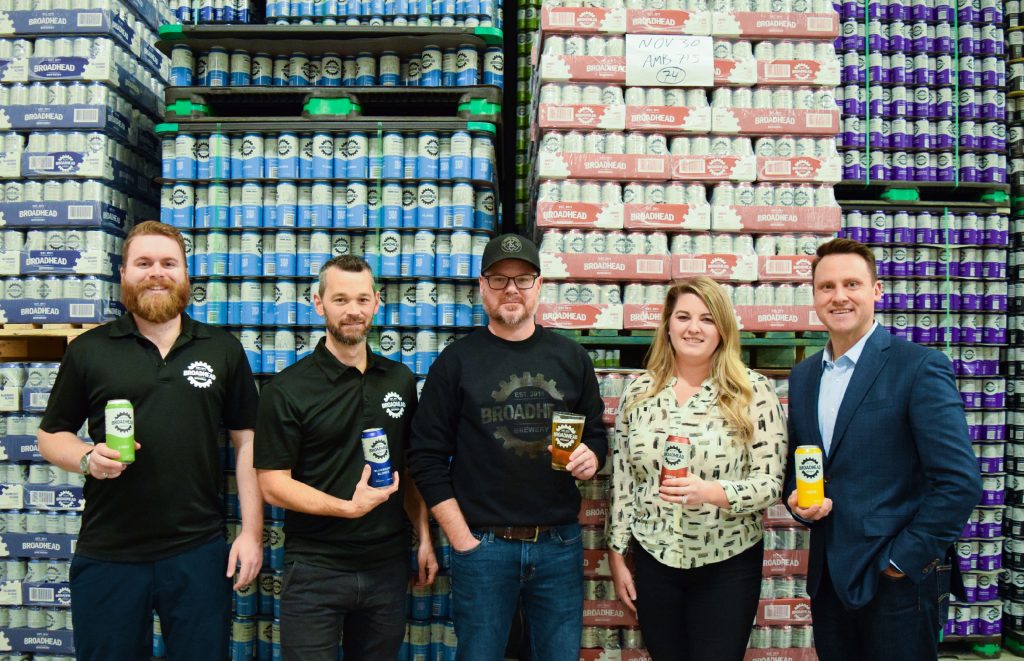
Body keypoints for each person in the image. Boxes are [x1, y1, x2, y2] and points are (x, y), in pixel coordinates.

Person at [37, 221, 263, 661]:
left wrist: (252, 532)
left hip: (197, 551)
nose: (156, 272)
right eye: (143, 263)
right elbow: (50, 436)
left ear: (186, 276)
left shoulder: (221, 349)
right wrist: (87, 458)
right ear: (123, 274)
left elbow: (247, 442)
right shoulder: (89, 349)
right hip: (108, 551)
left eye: (168, 263)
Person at [408, 234, 607, 660]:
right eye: (499, 279)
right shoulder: (456, 361)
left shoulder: (572, 358)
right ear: (482, 287)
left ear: (539, 286)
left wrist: (592, 457)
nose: (511, 290)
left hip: (559, 546)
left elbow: (596, 438)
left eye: (523, 279)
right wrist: (461, 538)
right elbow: (424, 457)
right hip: (482, 548)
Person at [785, 238, 982, 661]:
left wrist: (901, 561)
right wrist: (795, 500)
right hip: (829, 580)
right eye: (826, 287)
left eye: (852, 284)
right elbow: (802, 467)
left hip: (897, 583)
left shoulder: (918, 367)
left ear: (876, 291)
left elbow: (959, 482)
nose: (839, 297)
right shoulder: (803, 377)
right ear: (814, 296)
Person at [254, 255, 437, 661]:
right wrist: (346, 508)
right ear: (319, 304)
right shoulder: (286, 390)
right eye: (339, 300)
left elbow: (407, 467)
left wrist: (424, 536)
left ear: (376, 302)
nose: (352, 311)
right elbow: (272, 483)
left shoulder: (400, 379)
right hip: (316, 568)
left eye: (361, 299)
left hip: (386, 567)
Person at [607, 276, 786, 661]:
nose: (693, 328)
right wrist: (617, 554)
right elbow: (623, 479)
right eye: (683, 316)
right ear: (667, 325)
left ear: (722, 328)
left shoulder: (754, 392)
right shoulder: (638, 392)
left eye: (707, 319)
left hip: (727, 562)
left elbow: (771, 483)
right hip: (655, 558)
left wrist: (710, 493)